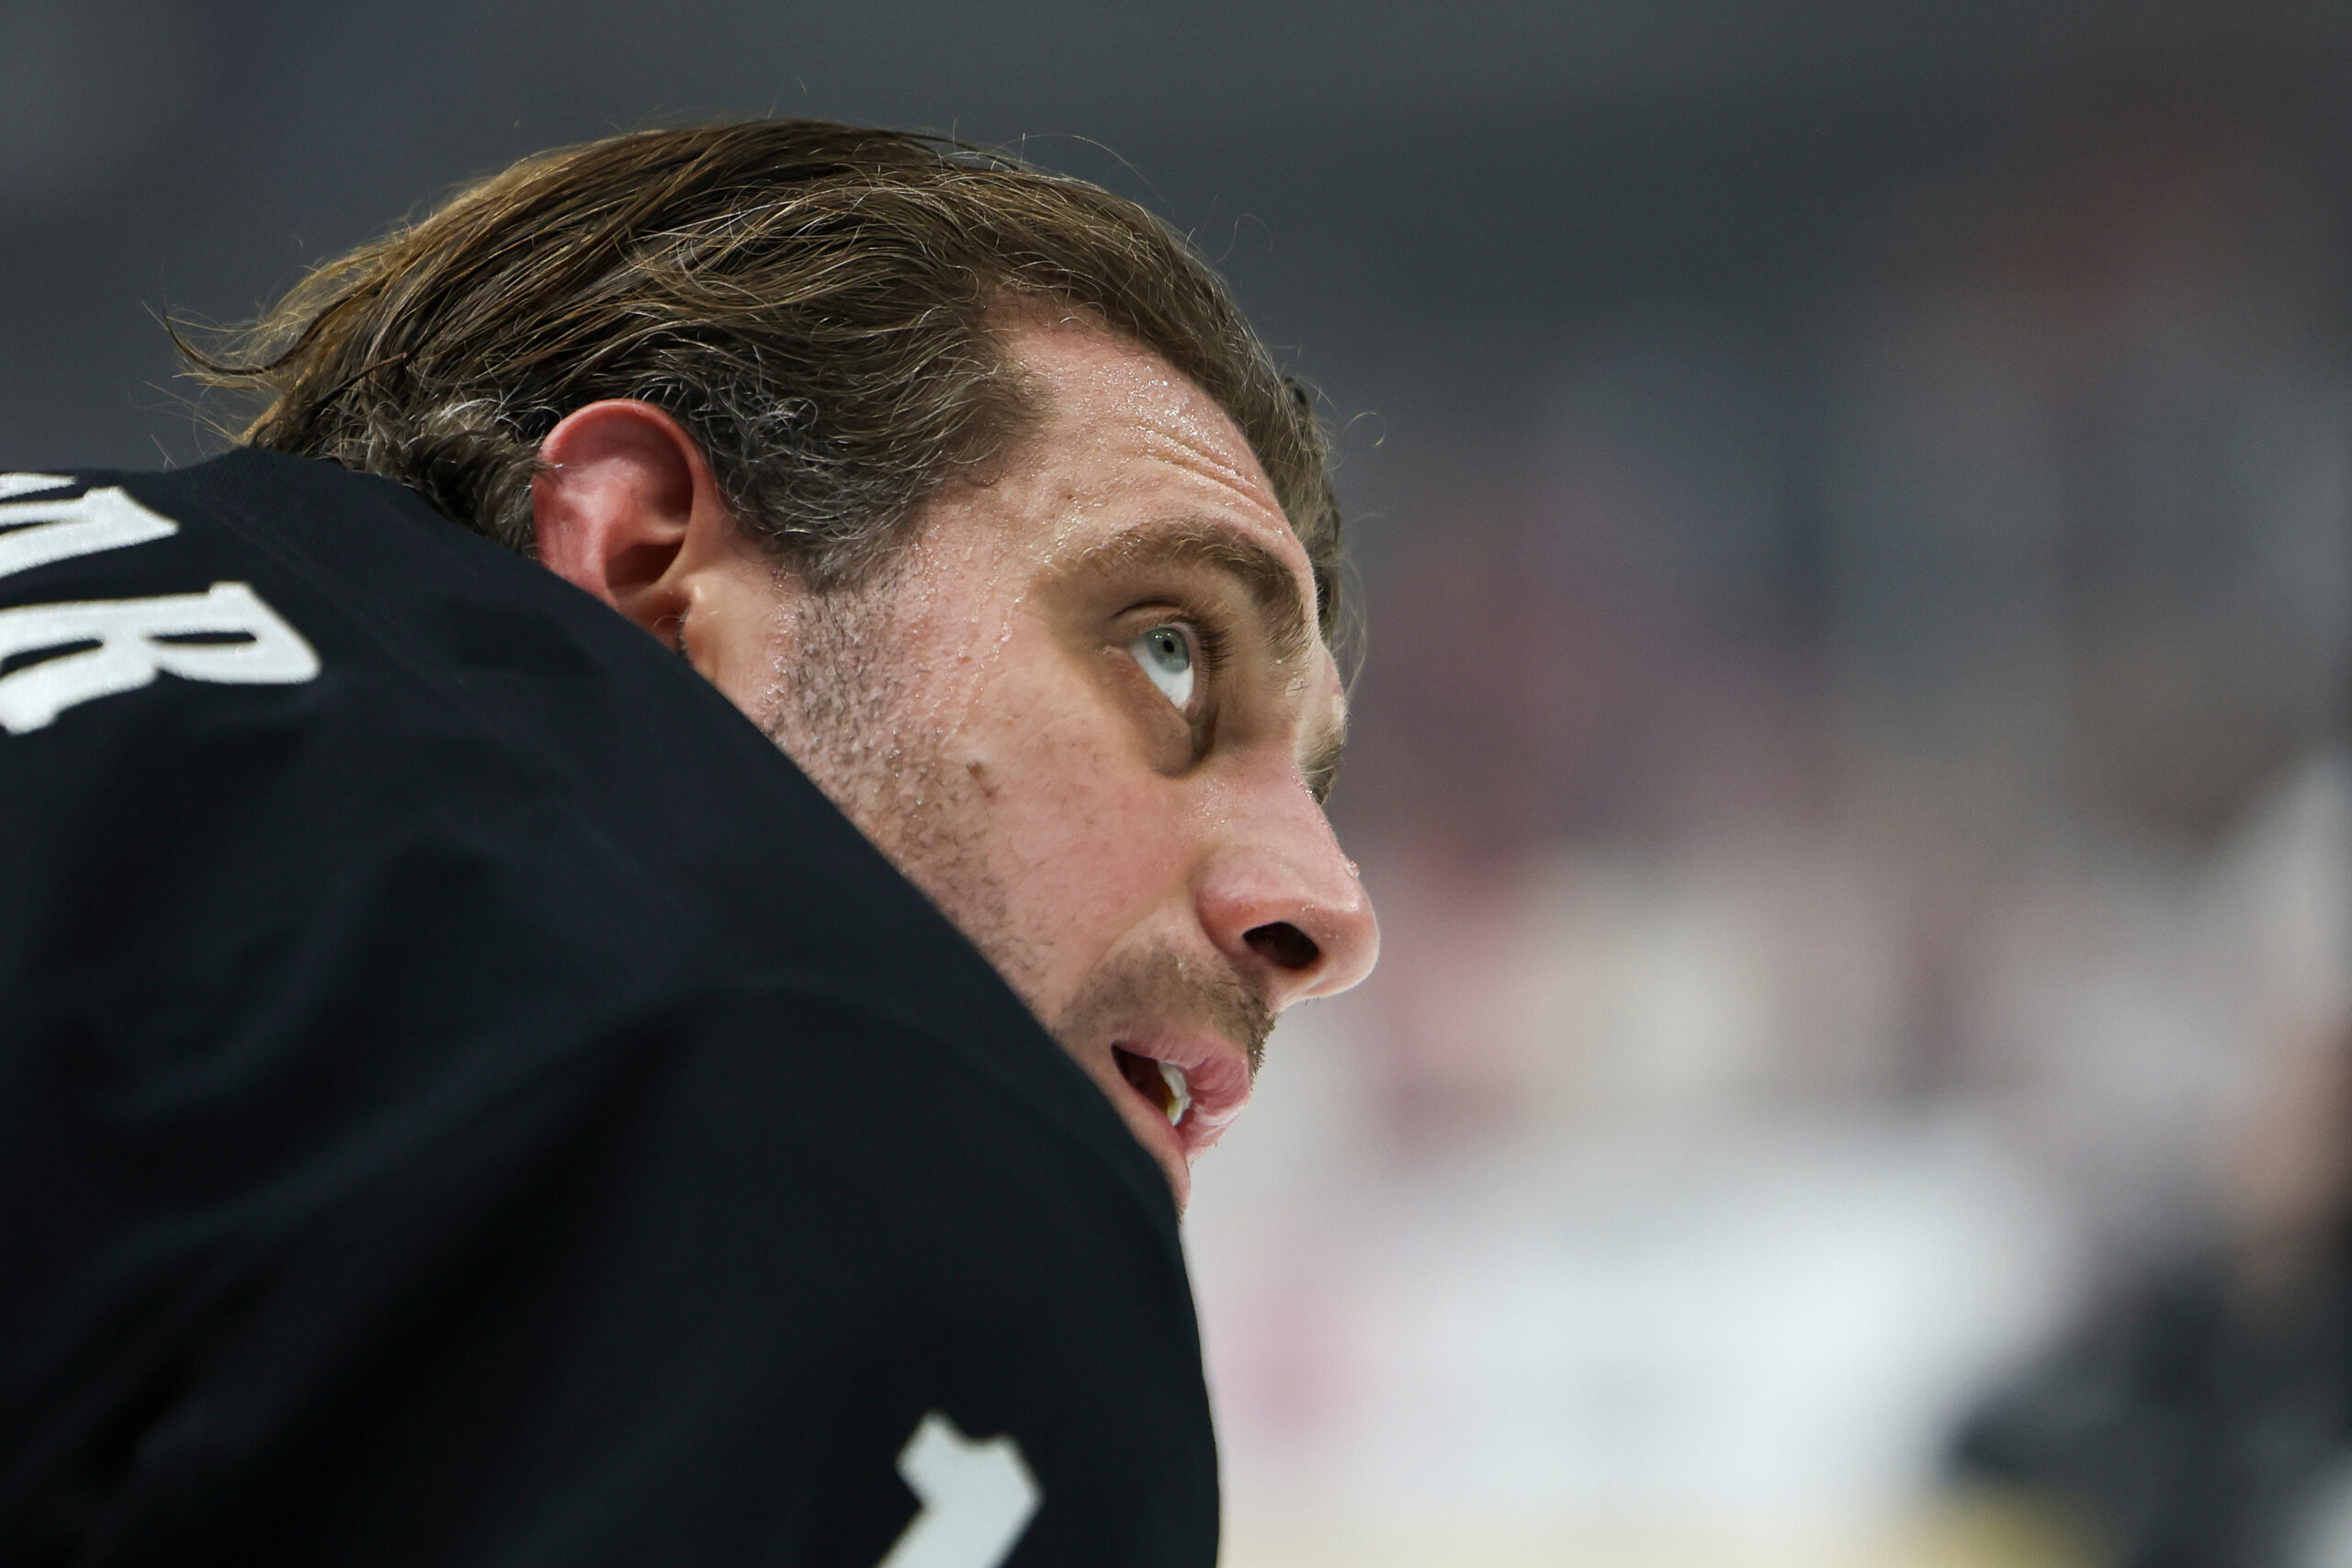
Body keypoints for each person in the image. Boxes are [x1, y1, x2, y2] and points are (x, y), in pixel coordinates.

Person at [0, 119, 1377, 1567]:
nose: (1331, 913)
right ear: (646, 567)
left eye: (1317, 784)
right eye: (1170, 651)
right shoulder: (852, 1159)